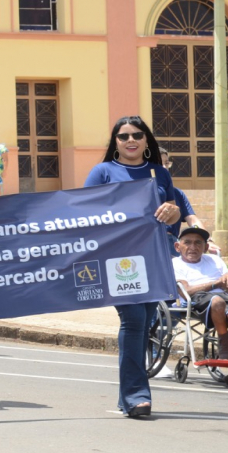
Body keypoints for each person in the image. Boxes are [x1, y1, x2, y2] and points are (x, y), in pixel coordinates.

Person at [84, 115, 180, 418]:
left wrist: (173, 211)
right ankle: (137, 395)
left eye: (137, 135)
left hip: (154, 258)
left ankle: (128, 396)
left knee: (146, 322)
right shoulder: (102, 172)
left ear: (145, 140)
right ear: (115, 141)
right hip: (119, 258)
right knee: (134, 321)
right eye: (123, 136)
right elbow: (83, 213)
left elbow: (174, 217)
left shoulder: (159, 174)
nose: (131, 141)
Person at [172, 227, 228, 384]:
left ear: (206, 247)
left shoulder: (215, 260)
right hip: (196, 298)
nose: (193, 247)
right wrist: (216, 283)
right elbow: (185, 291)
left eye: (198, 243)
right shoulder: (175, 264)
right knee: (217, 301)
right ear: (177, 246)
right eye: (187, 242)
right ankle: (224, 344)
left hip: (225, 296)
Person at [161, 148, 220, 256]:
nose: (164, 167)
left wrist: (207, 240)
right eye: (160, 163)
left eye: (166, 163)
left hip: (171, 244)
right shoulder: (141, 192)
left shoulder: (177, 193)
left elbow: (193, 221)